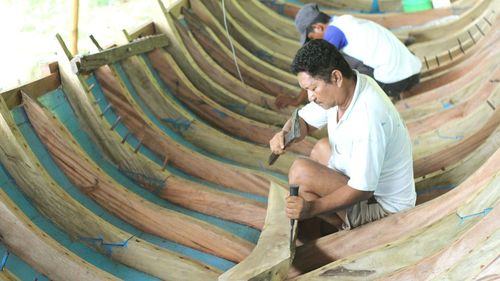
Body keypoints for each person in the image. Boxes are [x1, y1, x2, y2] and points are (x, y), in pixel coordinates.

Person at [270, 40, 416, 232]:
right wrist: (284, 134)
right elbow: (303, 122)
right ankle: (332, 221)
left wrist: (312, 208)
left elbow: (363, 189)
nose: (310, 96)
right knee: (322, 148)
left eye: (313, 89)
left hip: (384, 207)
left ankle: (344, 232)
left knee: (300, 172)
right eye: (306, 90)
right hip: (367, 185)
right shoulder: (349, 87)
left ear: (336, 77)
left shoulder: (368, 116)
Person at [274, 3, 422, 108]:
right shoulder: (344, 20)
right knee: (340, 61)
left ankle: (380, 101)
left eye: (312, 37)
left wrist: (297, 100)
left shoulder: (333, 33)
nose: (314, 42)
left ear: (319, 27)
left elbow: (314, 70)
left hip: (395, 81)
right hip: (413, 71)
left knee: (335, 71)